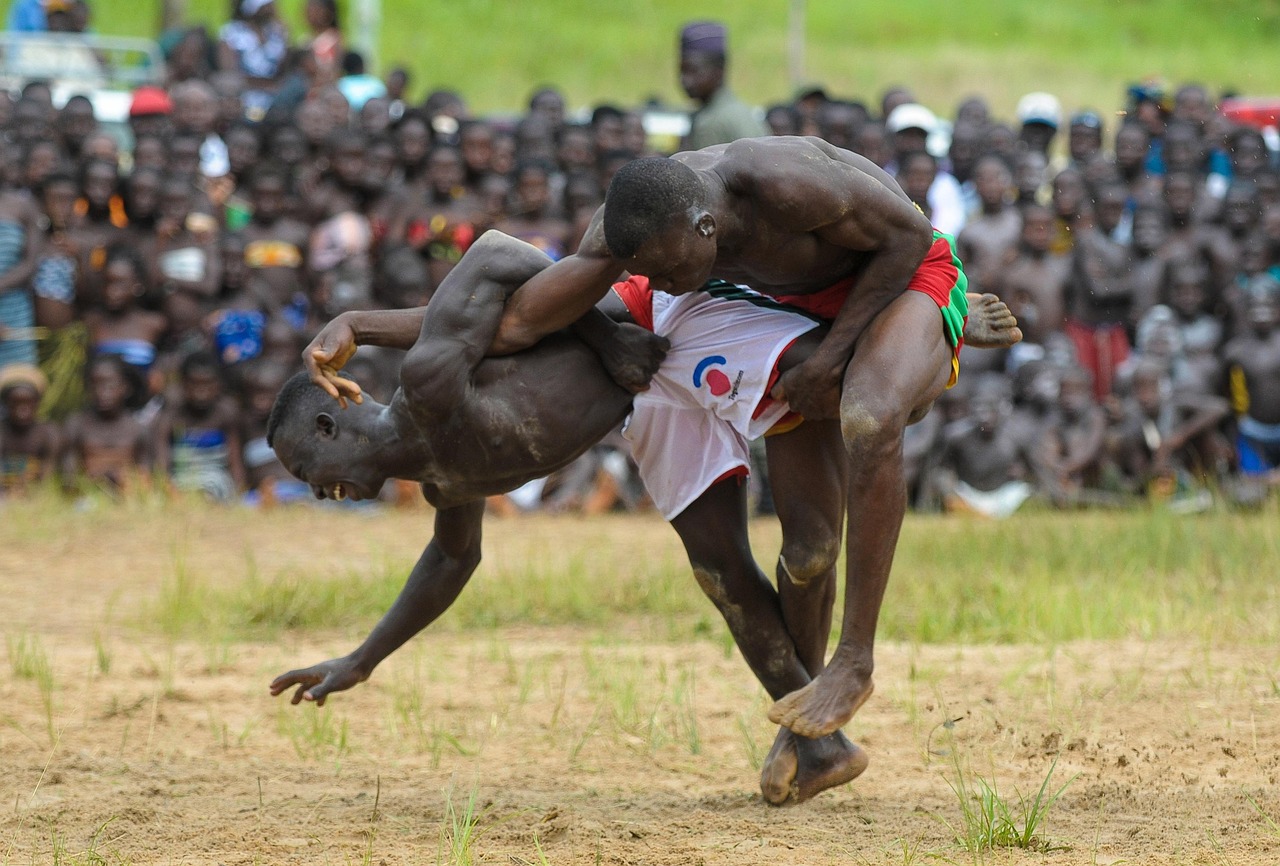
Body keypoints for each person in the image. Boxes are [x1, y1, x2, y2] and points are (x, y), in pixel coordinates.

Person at [270, 230, 1018, 803]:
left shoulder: (429, 381)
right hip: (647, 403)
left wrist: (605, 334)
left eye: (309, 469)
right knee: (725, 572)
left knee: (829, 385)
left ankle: (934, 314)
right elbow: (452, 561)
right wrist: (362, 659)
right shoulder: (440, 482)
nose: (315, 490)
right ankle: (822, 747)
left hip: (651, 327)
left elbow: (501, 257)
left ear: (337, 417)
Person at [476, 138, 1023, 742]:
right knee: (809, 553)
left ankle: (854, 660)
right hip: (784, 305)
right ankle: (810, 740)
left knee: (871, 416)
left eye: (669, 267)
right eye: (648, 273)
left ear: (707, 224)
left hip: (900, 270)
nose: (663, 284)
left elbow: (910, 239)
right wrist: (363, 326)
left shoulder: (783, 185)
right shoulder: (634, 225)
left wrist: (829, 362)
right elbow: (526, 317)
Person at [677, 21, 767, 151]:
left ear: (718, 72)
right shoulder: (740, 111)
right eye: (682, 71)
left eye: (694, 71)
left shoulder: (711, 123)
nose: (685, 80)